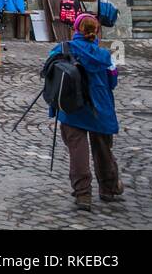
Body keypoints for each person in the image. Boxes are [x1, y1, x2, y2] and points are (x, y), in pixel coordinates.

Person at [50, 13, 122, 210]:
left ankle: (83, 195)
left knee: (78, 151)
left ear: (76, 30)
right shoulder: (105, 56)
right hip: (100, 108)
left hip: (72, 107)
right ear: (96, 31)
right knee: (103, 150)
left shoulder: (63, 49)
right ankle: (109, 188)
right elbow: (113, 82)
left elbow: (48, 72)